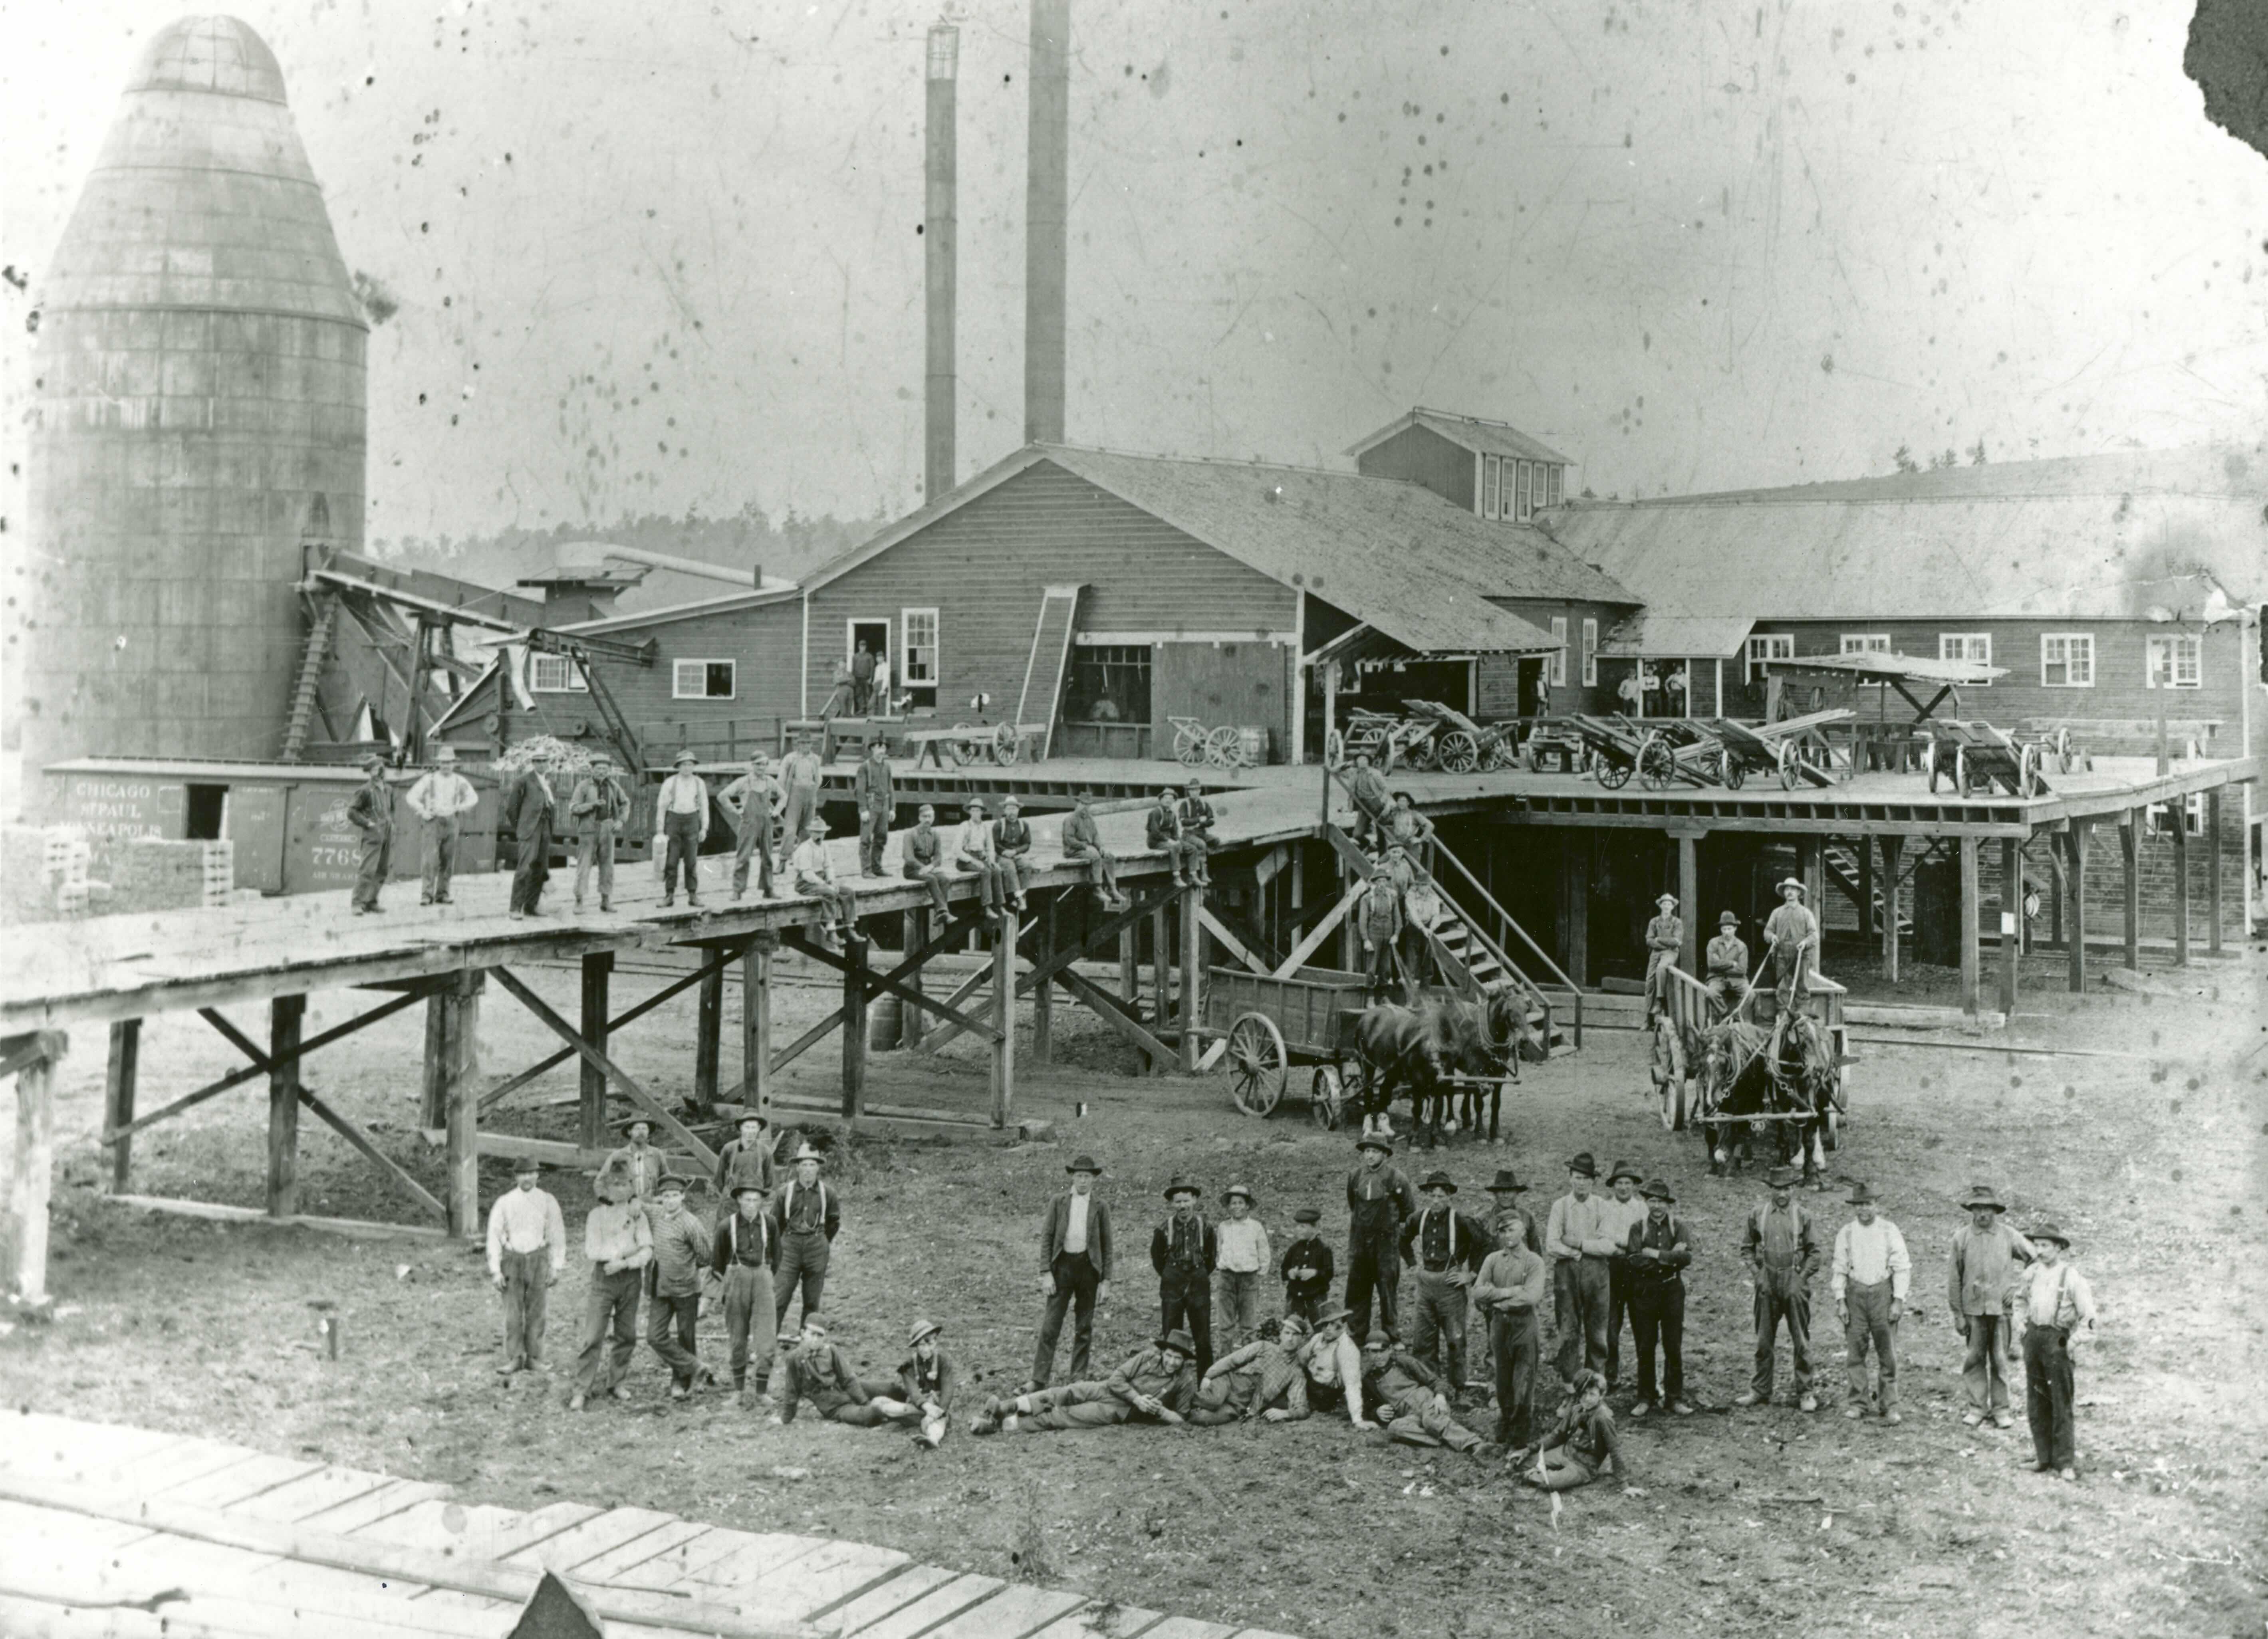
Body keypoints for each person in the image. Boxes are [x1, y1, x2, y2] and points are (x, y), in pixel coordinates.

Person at [972, 1330, 1198, 1434]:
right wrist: (1138, 1398)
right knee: (1064, 1393)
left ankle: (999, 1426)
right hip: (1109, 1390)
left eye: (1178, 1359)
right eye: (1169, 1355)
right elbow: (1116, 1379)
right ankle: (1005, 1408)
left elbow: (1182, 1418)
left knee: (1066, 1414)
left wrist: (1159, 1412)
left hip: (1119, 1410)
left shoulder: (1184, 1381)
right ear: (1163, 1353)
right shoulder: (1148, 1358)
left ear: (1185, 1361)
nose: (1171, 1362)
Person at [1736, 1163, 1825, 1411]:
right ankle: (1760, 1390)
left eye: (1786, 1189)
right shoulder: (1758, 1214)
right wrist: (1757, 1274)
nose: (1782, 1194)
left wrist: (1803, 1277)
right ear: (1770, 1190)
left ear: (1794, 1189)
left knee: (1801, 1339)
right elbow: (1746, 1248)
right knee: (1764, 1340)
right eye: (1777, 1189)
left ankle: (1806, 1392)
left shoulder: (1803, 1216)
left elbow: (1815, 1252)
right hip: (1768, 1281)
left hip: (1794, 1282)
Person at [1948, 1183, 2035, 1430]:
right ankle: (1977, 1408)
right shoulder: (1961, 1238)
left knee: (2000, 1360)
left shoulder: (2009, 1235)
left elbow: (2035, 1260)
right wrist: (1958, 1314)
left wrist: (2018, 1290)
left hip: (2001, 1311)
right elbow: (1954, 1278)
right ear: (1972, 1211)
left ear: (1995, 1211)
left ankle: (2001, 1410)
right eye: (1978, 1209)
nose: (1983, 1214)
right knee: (1974, 1359)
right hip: (1973, 1311)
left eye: (1988, 1209)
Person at [567, 1156, 652, 1411]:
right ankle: (582, 1389)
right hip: (604, 1278)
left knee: (626, 1334)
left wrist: (626, 1263)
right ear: (606, 1187)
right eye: (615, 1185)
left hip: (630, 1279)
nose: (620, 1190)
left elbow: (647, 1250)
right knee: (593, 1335)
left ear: (631, 1188)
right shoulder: (597, 1216)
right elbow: (592, 1250)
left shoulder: (638, 1215)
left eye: (626, 1185)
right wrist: (620, 1256)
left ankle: (617, 1383)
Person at [2012, 1223, 2093, 1479]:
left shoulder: (2071, 1277)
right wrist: (2021, 1325)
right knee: (2037, 1401)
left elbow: (2089, 1316)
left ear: (2059, 1248)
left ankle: (2065, 1462)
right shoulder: (2032, 1273)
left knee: (2061, 1402)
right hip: (2034, 1339)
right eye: (2037, 1245)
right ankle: (2043, 1457)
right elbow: (2019, 1300)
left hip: (2058, 1341)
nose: (2040, 1250)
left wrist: (2073, 1342)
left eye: (2045, 1246)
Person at [1399, 1170, 1489, 1395]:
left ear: (1450, 1197)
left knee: (1456, 1340)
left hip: (1451, 1286)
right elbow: (1402, 1239)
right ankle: (1429, 1387)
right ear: (1428, 1196)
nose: (1437, 1201)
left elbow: (1484, 1244)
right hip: (1426, 1284)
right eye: (1433, 1196)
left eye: (1442, 1196)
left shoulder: (1461, 1220)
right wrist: (1412, 1264)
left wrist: (1471, 1275)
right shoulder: (1419, 1218)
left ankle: (1458, 1387)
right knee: (1423, 1340)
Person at [1832, 1181, 1911, 1424]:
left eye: (1868, 1204)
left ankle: (1890, 1405)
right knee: (1856, 1351)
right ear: (1854, 1208)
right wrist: (1841, 1301)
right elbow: (1839, 1268)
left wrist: (1898, 1300)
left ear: (1877, 1205)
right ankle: (1858, 1402)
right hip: (1855, 1295)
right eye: (1859, 1205)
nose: (1864, 1210)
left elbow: (1902, 1267)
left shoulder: (1889, 1231)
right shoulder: (1846, 1233)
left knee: (1887, 1352)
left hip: (1882, 1295)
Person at [1032, 1153, 1113, 1391]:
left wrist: (1106, 1280)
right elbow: (1047, 1238)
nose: (1083, 1181)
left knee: (1084, 1326)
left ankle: (1078, 1377)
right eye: (1079, 1176)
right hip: (1063, 1269)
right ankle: (1039, 1379)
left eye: (1087, 1177)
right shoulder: (1058, 1202)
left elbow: (1107, 1245)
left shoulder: (1100, 1207)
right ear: (1072, 1177)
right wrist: (1046, 1271)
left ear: (1094, 1179)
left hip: (1089, 1270)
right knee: (1050, 1326)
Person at [486, 1156, 566, 1377]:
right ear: (516, 1177)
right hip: (513, 1260)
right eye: (523, 1174)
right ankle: (514, 1357)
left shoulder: (548, 1201)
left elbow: (557, 1235)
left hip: (538, 1260)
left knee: (537, 1312)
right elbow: (494, 1236)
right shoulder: (505, 1202)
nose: (528, 1178)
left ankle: (534, 1358)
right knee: (513, 1313)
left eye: (532, 1173)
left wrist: (556, 1266)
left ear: (538, 1175)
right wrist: (495, 1270)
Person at [1472, 1215, 1548, 1447]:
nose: (1507, 1236)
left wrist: (1499, 1301)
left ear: (1523, 1231)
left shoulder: (1534, 1261)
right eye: (1502, 1232)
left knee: (1524, 1380)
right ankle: (1506, 1424)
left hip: (1524, 1324)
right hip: (1499, 1326)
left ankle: (1521, 1434)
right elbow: (1478, 1291)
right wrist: (1508, 1293)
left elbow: (1532, 1295)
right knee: (1503, 1378)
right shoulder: (1493, 1260)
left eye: (1512, 1230)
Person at [1546, 1152, 1619, 1383]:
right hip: (1567, 1273)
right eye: (1577, 1178)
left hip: (1597, 1274)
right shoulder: (1560, 1206)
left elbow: (1609, 1246)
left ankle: (1595, 1384)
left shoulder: (1602, 1206)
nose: (1581, 1183)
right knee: (1568, 1330)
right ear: (1570, 1179)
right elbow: (1552, 1245)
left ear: (1593, 1182)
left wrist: (1579, 1244)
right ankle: (1571, 1383)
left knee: (1598, 1331)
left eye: (1586, 1179)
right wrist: (1576, 1253)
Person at [1622, 1179, 1693, 1419]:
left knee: (1673, 1344)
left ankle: (1674, 1398)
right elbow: (1634, 1260)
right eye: (1652, 1201)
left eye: (1661, 1201)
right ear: (1646, 1203)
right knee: (1646, 1345)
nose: (1657, 1207)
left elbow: (1686, 1258)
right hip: (1645, 1293)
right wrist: (1670, 1257)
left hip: (1672, 1291)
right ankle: (1645, 1397)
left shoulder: (1678, 1226)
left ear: (1668, 1204)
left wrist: (1654, 1254)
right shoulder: (1637, 1228)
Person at [773, 1316, 921, 1429]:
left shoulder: (830, 1351)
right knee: (870, 1416)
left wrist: (864, 1401)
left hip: (847, 1390)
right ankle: (914, 1415)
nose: (815, 1339)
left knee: (890, 1388)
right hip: (835, 1408)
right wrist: (785, 1419)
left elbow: (848, 1379)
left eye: (820, 1336)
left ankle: (919, 1400)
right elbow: (791, 1392)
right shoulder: (794, 1359)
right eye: (812, 1334)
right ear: (803, 1333)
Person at [643, 1175, 714, 1399]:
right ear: (660, 1198)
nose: (671, 1201)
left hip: (686, 1291)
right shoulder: (654, 1215)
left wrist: (684, 1269)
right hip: (660, 1288)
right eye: (666, 1196)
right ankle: (695, 1367)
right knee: (655, 1336)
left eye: (675, 1196)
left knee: (686, 1337)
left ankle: (682, 1382)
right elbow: (636, 1204)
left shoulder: (691, 1223)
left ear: (683, 1197)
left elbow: (705, 1256)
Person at [1344, 1133, 1419, 1345]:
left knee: (1388, 1290)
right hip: (1360, 1243)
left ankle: (1392, 1336)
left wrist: (1393, 1233)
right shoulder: (1355, 1176)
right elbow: (1353, 1204)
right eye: (1367, 1151)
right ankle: (1357, 1335)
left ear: (1385, 1154)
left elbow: (1409, 1212)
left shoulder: (1397, 1178)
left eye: (1375, 1151)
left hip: (1387, 1245)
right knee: (1358, 1289)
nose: (1370, 1156)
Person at [709, 1181, 778, 1403]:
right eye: (747, 1200)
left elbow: (778, 1257)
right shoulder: (725, 1227)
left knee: (766, 1341)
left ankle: (761, 1391)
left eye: (756, 1200)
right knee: (738, 1340)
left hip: (762, 1281)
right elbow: (717, 1265)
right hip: (736, 1282)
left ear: (762, 1202)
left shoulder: (770, 1223)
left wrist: (764, 1279)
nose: (751, 1205)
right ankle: (738, 1391)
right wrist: (729, 1287)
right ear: (739, 1200)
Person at [1359, 1336, 1487, 1453]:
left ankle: (1475, 1444)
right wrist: (1377, 1412)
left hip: (1426, 1401)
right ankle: (1446, 1441)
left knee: (1430, 1420)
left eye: (1382, 1351)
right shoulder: (1369, 1380)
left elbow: (1436, 1381)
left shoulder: (1405, 1363)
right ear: (1367, 1352)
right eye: (1374, 1352)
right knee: (1395, 1428)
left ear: (1390, 1350)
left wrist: (1440, 1396)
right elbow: (1367, 1410)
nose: (1379, 1356)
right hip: (1408, 1414)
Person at [1191, 1316, 1312, 1425]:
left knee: (1201, 1418)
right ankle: (1181, 1399)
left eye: (1296, 1335)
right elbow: (1232, 1360)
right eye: (1287, 1333)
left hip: (1241, 1406)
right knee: (1213, 1401)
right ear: (1281, 1334)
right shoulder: (1263, 1347)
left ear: (1302, 1339)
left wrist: (1285, 1414)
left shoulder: (1296, 1373)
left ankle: (1181, 1410)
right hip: (1230, 1383)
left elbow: (1302, 1408)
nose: (1290, 1339)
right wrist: (1209, 1375)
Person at [1523, 1369, 1628, 1491]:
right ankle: (1538, 1472)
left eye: (1592, 1394)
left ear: (1601, 1396)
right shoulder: (1576, 1410)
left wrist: (1624, 1485)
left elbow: (1615, 1450)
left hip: (1583, 1467)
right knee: (1522, 1464)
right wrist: (1530, 1449)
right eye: (1584, 1394)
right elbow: (1558, 1435)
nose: (1587, 1399)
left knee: (1549, 1483)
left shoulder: (1603, 1419)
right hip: (1565, 1453)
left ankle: (1539, 1475)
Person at [1152, 1175, 1217, 1374]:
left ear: (1194, 1201)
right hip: (1173, 1282)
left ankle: (1205, 1385)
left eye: (1186, 1201)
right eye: (1178, 1202)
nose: (1183, 1206)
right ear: (1172, 1203)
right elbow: (1157, 1260)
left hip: (1198, 1282)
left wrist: (1198, 1274)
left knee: (1203, 1337)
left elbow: (1211, 1260)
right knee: (1172, 1336)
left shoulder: (1205, 1227)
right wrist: (1173, 1274)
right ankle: (1172, 1382)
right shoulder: (1164, 1229)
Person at [771, 1144, 839, 1331]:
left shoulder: (829, 1194)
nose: (808, 1169)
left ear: (818, 1168)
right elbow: (775, 1225)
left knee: (812, 1300)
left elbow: (834, 1223)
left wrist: (821, 1241)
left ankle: (806, 1340)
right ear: (798, 1167)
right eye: (805, 1165)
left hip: (816, 1248)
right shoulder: (785, 1192)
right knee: (780, 1297)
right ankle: (768, 1342)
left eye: (812, 1165)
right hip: (789, 1248)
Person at [1599, 1160, 1650, 1391]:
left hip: (1637, 1271)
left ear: (1634, 1186)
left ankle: (1646, 1379)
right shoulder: (1604, 1206)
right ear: (1613, 1186)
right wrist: (1625, 1245)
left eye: (1628, 1183)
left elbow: (1645, 1239)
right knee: (1611, 1325)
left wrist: (1628, 1246)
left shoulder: (1642, 1208)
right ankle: (1611, 1376)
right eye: (1619, 1183)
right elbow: (1603, 1237)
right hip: (1613, 1269)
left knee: (1642, 1324)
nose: (1623, 1188)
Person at [405, 744, 476, 906]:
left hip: (451, 821)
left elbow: (473, 798)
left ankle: (443, 894)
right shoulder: (429, 779)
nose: (446, 766)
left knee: (448, 859)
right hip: (433, 822)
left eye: (449, 763)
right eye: (443, 763)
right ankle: (427, 894)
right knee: (429, 860)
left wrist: (461, 807)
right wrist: (423, 811)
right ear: (438, 764)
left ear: (454, 764)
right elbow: (411, 797)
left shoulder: (460, 781)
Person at [1762, 877, 1820, 1058]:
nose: (1790, 892)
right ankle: (1783, 1020)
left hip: (1801, 956)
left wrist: (1805, 942)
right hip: (1781, 956)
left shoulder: (1805, 913)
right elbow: (1767, 931)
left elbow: (1814, 935)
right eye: (1787, 889)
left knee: (1802, 987)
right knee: (1783, 988)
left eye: (1793, 890)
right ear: (1784, 893)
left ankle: (1802, 1023)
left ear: (1799, 894)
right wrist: (1771, 937)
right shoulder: (1777, 913)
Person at [500, 747, 556, 919]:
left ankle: (531, 906)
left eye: (544, 761)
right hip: (530, 829)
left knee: (541, 868)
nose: (541, 764)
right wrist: (521, 828)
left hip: (545, 826)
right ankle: (515, 908)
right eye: (537, 761)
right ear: (533, 764)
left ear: (549, 763)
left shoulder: (549, 782)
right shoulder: (523, 781)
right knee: (524, 868)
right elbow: (511, 808)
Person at [569, 753, 629, 913]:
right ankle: (579, 901)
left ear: (609, 770)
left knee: (608, 866)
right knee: (584, 865)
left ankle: (606, 900)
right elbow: (574, 808)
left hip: (608, 829)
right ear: (592, 770)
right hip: (588, 829)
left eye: (605, 769)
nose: (602, 772)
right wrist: (592, 805)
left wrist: (621, 821)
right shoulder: (583, 786)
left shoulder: (613, 786)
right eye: (598, 768)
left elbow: (625, 803)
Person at [1297, 1306, 1375, 1428]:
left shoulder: (1347, 1349)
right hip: (1309, 1382)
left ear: (1343, 1326)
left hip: (1325, 1394)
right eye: (1325, 1324)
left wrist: (1357, 1419)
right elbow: (1300, 1359)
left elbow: (1352, 1384)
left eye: (1334, 1325)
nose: (1328, 1329)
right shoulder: (1317, 1339)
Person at [1212, 1184, 1272, 1344]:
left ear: (1247, 1206)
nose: (1237, 1207)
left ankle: (1248, 1363)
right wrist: (1222, 1265)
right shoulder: (1224, 1227)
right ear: (1229, 1207)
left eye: (1240, 1203)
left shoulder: (1256, 1227)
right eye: (1233, 1203)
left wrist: (1260, 1273)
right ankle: (1225, 1361)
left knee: (1248, 1324)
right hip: (1227, 1278)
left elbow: (1264, 1251)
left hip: (1249, 1279)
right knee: (1225, 1324)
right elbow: (1219, 1249)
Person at [720, 753, 783, 901]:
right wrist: (736, 811)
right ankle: (737, 890)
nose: (761, 767)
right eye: (758, 764)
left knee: (767, 857)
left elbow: (783, 796)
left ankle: (769, 890)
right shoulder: (744, 782)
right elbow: (723, 796)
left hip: (766, 824)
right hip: (749, 824)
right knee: (743, 857)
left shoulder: (770, 781)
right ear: (752, 765)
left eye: (764, 764)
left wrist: (777, 811)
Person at [655, 750, 710, 908]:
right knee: (671, 860)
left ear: (694, 766)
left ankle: (693, 895)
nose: (687, 768)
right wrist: (660, 830)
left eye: (690, 765)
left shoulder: (699, 783)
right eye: (684, 765)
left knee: (691, 860)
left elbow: (705, 806)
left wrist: (704, 828)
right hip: (674, 820)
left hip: (692, 820)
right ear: (678, 766)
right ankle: (669, 895)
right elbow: (662, 807)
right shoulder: (670, 783)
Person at [792, 819, 858, 945]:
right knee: (830, 893)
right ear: (811, 832)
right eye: (817, 833)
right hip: (806, 883)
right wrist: (825, 884)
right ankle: (831, 931)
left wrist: (831, 880)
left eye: (822, 833)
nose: (820, 836)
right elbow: (807, 874)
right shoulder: (805, 848)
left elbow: (828, 866)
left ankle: (850, 927)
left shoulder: (825, 846)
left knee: (848, 892)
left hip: (821, 879)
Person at [1060, 790, 1129, 910]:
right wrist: (1085, 846)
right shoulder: (1070, 819)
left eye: (1088, 805)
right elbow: (1069, 840)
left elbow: (1095, 836)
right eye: (1083, 804)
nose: (1086, 807)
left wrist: (1101, 847)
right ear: (1078, 804)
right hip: (1073, 851)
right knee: (1095, 857)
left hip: (1088, 849)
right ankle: (1098, 887)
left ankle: (1112, 888)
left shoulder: (1090, 819)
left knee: (1109, 856)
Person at [897, 1318, 960, 1448]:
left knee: (940, 1420)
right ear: (915, 1346)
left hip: (938, 1406)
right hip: (918, 1406)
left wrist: (938, 1412)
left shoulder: (943, 1362)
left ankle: (933, 1438)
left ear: (936, 1342)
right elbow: (913, 1391)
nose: (926, 1350)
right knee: (892, 1409)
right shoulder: (907, 1366)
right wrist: (926, 1407)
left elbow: (948, 1390)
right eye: (921, 1345)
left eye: (930, 1343)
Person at [347, 754, 393, 915]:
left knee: (382, 870)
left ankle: (371, 902)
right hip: (373, 833)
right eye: (374, 769)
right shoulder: (364, 791)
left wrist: (390, 824)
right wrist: (368, 823)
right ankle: (357, 903)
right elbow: (352, 812)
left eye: (381, 768)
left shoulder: (388, 790)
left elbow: (391, 809)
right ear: (370, 772)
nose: (378, 772)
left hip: (386, 831)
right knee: (367, 869)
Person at [1279, 1207, 1335, 1324]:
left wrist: (1315, 1273)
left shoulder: (1324, 1249)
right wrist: (1290, 1273)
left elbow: (1329, 1273)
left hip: (1316, 1298)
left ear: (1315, 1228)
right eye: (1297, 1226)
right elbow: (1284, 1269)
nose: (1298, 1230)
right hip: (1295, 1297)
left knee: (1321, 1326)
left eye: (1303, 1227)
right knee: (1291, 1326)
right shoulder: (1294, 1248)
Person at [1358, 865, 1404, 998]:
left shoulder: (1392, 898)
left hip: (1388, 936)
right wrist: (1366, 940)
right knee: (1372, 968)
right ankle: (1370, 997)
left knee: (1387, 968)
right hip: (1374, 935)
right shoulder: (1367, 899)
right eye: (1379, 882)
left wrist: (1396, 935)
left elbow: (1398, 918)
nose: (1382, 884)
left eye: (1384, 881)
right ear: (1374, 883)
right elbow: (1362, 921)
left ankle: (1384, 997)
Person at [955, 799, 1006, 918]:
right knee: (985, 871)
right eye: (973, 811)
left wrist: (992, 861)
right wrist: (973, 861)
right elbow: (957, 850)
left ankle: (999, 905)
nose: (975, 813)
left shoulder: (985, 827)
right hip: (965, 860)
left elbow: (990, 847)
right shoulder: (965, 826)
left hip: (980, 858)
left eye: (978, 811)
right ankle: (986, 907)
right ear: (970, 812)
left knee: (997, 871)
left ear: (982, 812)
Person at [778, 737, 824, 864]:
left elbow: (819, 778)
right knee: (791, 829)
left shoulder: (815, 759)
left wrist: (814, 790)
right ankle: (783, 860)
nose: (805, 746)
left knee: (807, 829)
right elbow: (782, 778)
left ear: (811, 744)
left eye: (808, 743)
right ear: (798, 744)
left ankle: (801, 858)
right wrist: (783, 795)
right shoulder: (790, 758)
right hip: (795, 795)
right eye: (803, 743)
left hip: (810, 795)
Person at [902, 804, 953, 916]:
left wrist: (931, 867)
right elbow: (909, 858)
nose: (927, 820)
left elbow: (939, 857)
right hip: (912, 870)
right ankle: (942, 911)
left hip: (929, 868)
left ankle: (941, 913)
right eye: (925, 817)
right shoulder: (911, 834)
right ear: (919, 818)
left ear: (934, 818)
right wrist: (924, 868)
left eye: (930, 817)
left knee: (945, 879)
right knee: (932, 879)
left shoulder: (935, 834)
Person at [712, 1112, 775, 1201]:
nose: (750, 1131)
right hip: (732, 1201)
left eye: (754, 1128)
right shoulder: (729, 1148)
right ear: (741, 1128)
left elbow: (769, 1184)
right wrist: (726, 1196)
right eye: (747, 1127)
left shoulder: (766, 1152)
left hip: (753, 1203)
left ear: (759, 1128)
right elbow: (719, 1178)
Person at [607, 1116, 670, 1206]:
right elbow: (613, 1185)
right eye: (637, 1129)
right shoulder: (619, 1156)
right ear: (630, 1132)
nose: (641, 1132)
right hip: (628, 1205)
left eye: (644, 1129)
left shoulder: (657, 1154)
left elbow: (667, 1180)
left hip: (653, 1204)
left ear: (648, 1132)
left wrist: (662, 1198)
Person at [854, 739, 893, 877]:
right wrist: (863, 809)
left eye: (883, 748)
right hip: (871, 805)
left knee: (882, 837)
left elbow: (891, 788)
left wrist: (893, 808)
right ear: (872, 749)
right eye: (878, 748)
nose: (881, 751)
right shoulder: (865, 767)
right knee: (866, 839)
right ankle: (866, 870)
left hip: (884, 805)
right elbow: (859, 790)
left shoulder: (887, 766)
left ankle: (877, 867)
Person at [1643, 893, 1682, 1024]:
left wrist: (1659, 939)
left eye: (1669, 904)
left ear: (1673, 907)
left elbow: (1676, 942)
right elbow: (1649, 940)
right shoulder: (1654, 921)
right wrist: (1661, 943)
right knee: (1649, 983)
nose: (1667, 906)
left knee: (1662, 968)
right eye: (1664, 904)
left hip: (1670, 953)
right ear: (1661, 906)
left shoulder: (1677, 922)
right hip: (1656, 952)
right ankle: (1648, 1020)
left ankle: (1660, 1000)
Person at [992, 797, 1034, 912]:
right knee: (1010, 868)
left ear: (1018, 810)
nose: (1012, 812)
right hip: (1003, 855)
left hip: (1017, 854)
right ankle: (1020, 899)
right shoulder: (999, 824)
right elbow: (995, 843)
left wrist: (1016, 852)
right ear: (1005, 811)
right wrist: (1005, 852)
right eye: (1009, 809)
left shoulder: (1024, 825)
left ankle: (1020, 897)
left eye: (1014, 809)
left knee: (1027, 865)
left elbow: (1027, 844)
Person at [1704, 909, 1752, 1013]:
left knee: (1751, 994)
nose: (1727, 932)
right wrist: (1731, 964)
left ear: (1735, 929)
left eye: (1729, 929)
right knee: (1711, 993)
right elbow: (1711, 965)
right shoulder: (1713, 943)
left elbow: (1742, 970)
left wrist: (1720, 965)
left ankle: (1736, 1017)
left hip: (1737, 979)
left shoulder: (1741, 946)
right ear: (1721, 929)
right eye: (1724, 929)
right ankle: (1725, 1014)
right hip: (1717, 979)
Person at [1343, 750, 1391, 848]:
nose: (1362, 762)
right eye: (1360, 760)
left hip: (1375, 803)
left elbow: (1386, 789)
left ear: (1368, 762)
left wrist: (1382, 801)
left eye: (1365, 760)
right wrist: (1348, 763)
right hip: (1362, 804)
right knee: (1357, 835)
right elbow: (1334, 770)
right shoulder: (1353, 773)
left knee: (1381, 831)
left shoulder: (1375, 773)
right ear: (1356, 762)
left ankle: (1382, 855)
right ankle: (1370, 845)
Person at [1145, 787, 1190, 887]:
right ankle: (1177, 877)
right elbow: (1155, 832)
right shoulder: (1156, 812)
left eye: (1171, 799)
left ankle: (1192, 874)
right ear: (1161, 800)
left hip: (1168, 840)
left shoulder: (1173, 814)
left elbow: (1175, 831)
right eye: (1166, 798)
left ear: (1174, 801)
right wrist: (1169, 841)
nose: (1168, 801)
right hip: (1155, 841)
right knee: (1174, 847)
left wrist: (1178, 841)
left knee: (1189, 847)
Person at [1176, 781, 1217, 886]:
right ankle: (1203, 873)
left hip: (1201, 831)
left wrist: (1199, 825)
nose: (1194, 793)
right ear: (1189, 792)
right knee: (1202, 844)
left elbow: (1212, 820)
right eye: (1192, 790)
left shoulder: (1204, 804)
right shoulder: (1185, 804)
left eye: (1196, 790)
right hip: (1189, 834)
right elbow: (1184, 821)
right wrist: (1200, 819)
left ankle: (1203, 858)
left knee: (1215, 841)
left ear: (1200, 791)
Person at [1383, 791, 1435, 857]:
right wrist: (1388, 809)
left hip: (1411, 846)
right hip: (1398, 844)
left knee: (1413, 866)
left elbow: (1430, 826)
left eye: (1404, 801)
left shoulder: (1414, 814)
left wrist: (1421, 839)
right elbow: (1382, 821)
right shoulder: (1395, 813)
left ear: (1408, 803)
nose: (1401, 803)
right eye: (1399, 801)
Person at [851, 640, 877, 715]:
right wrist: (853, 678)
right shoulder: (855, 656)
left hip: (867, 678)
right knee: (859, 694)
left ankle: (869, 710)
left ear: (866, 647)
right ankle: (862, 708)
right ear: (859, 647)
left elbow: (872, 668)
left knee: (868, 694)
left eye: (864, 646)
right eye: (861, 646)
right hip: (858, 678)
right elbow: (853, 668)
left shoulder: (870, 656)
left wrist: (871, 678)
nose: (863, 648)